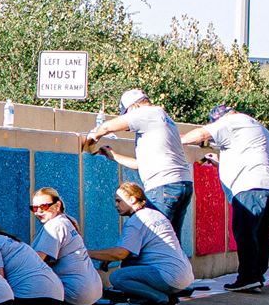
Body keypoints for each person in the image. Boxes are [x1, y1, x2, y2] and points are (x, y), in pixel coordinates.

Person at [182, 102, 269, 291]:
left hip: (251, 185)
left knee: (244, 231)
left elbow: (200, 134)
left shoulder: (232, 121)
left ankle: (248, 277)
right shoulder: (254, 125)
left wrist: (175, 140)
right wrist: (218, 163)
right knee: (260, 234)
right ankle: (256, 275)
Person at [83, 89, 196, 245]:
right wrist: (114, 156)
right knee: (172, 242)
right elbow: (141, 165)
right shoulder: (163, 119)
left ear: (134, 107)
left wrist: (91, 138)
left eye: (127, 114)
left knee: (156, 240)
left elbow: (107, 127)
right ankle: (178, 269)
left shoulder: (149, 113)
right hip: (180, 184)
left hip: (163, 187)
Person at [87, 181, 194, 305]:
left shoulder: (136, 220)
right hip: (184, 275)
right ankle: (150, 299)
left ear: (132, 199)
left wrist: (87, 253)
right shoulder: (155, 214)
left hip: (169, 277)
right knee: (129, 264)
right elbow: (129, 253)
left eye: (119, 201)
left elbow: (121, 253)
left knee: (117, 277)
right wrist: (108, 258)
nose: (116, 205)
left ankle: (164, 301)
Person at [27, 187, 107, 305]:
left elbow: (35, 262)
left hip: (76, 292)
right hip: (95, 289)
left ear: (57, 205)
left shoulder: (54, 225)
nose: (38, 212)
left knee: (26, 282)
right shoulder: (69, 220)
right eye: (34, 208)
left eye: (44, 206)